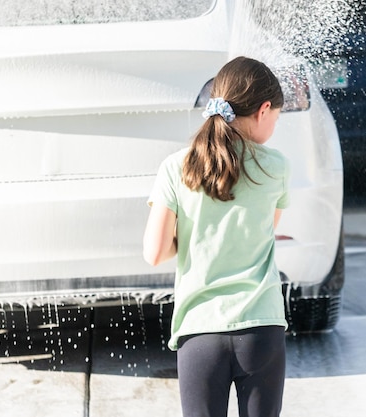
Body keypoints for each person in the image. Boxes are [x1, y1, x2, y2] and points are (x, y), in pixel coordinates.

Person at [143, 56, 290, 417]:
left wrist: (192, 237)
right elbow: (264, 230)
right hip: (261, 329)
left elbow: (155, 252)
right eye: (276, 118)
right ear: (264, 110)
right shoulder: (276, 167)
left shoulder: (176, 167)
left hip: (199, 333)